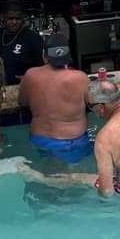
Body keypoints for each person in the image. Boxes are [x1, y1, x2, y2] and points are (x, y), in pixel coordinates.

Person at [23, 80, 120, 202]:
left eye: (90, 106)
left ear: (101, 107)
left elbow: (107, 191)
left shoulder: (105, 137)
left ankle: (38, 178)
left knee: (78, 178)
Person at [18, 32, 92, 164]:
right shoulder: (81, 78)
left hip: (43, 141)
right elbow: (92, 104)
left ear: (44, 56)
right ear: (68, 56)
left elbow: (22, 102)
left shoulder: (30, 76)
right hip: (75, 141)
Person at [0, 2, 45, 83]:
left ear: (23, 19)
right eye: (10, 19)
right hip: (0, 87)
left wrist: (30, 78)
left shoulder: (33, 38)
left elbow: (43, 67)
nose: (14, 22)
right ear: (4, 18)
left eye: (18, 19)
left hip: (24, 87)